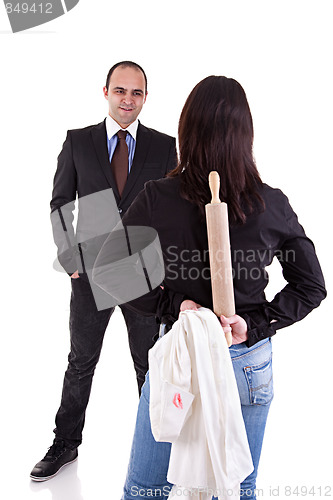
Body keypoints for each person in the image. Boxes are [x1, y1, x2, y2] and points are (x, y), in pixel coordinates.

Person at [93, 76, 326, 500]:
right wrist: (253, 325)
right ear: (246, 134)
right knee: (236, 488)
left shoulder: (159, 196)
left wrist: (170, 305)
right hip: (247, 364)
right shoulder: (271, 203)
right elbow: (311, 286)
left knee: (147, 490)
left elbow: (108, 268)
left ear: (187, 131)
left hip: (182, 358)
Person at [30, 61, 177, 482]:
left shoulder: (164, 146)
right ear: (106, 91)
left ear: (145, 97)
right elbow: (60, 202)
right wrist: (70, 258)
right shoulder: (79, 142)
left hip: (146, 278)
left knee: (151, 366)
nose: (128, 100)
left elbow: (173, 210)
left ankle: (159, 448)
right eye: (120, 91)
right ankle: (65, 443)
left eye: (136, 93)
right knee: (81, 362)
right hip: (91, 275)